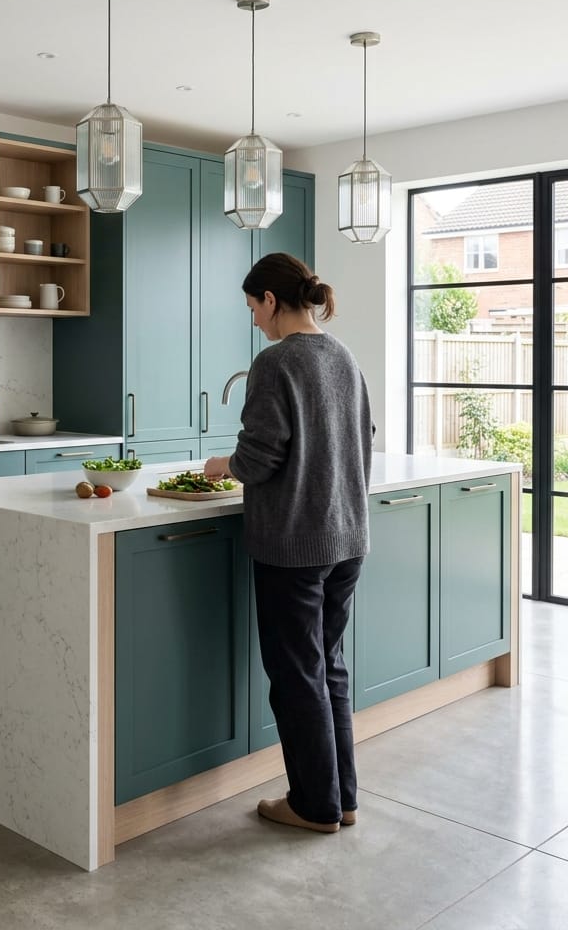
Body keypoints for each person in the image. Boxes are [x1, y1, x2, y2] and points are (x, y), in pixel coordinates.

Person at [203, 252, 374, 834]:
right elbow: (359, 437)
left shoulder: (275, 362)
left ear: (271, 301)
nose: (254, 320)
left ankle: (313, 806)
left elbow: (259, 457)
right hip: (346, 537)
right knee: (329, 669)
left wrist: (219, 466)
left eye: (253, 307)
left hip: (294, 545)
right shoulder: (342, 355)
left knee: (298, 677)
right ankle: (341, 799)